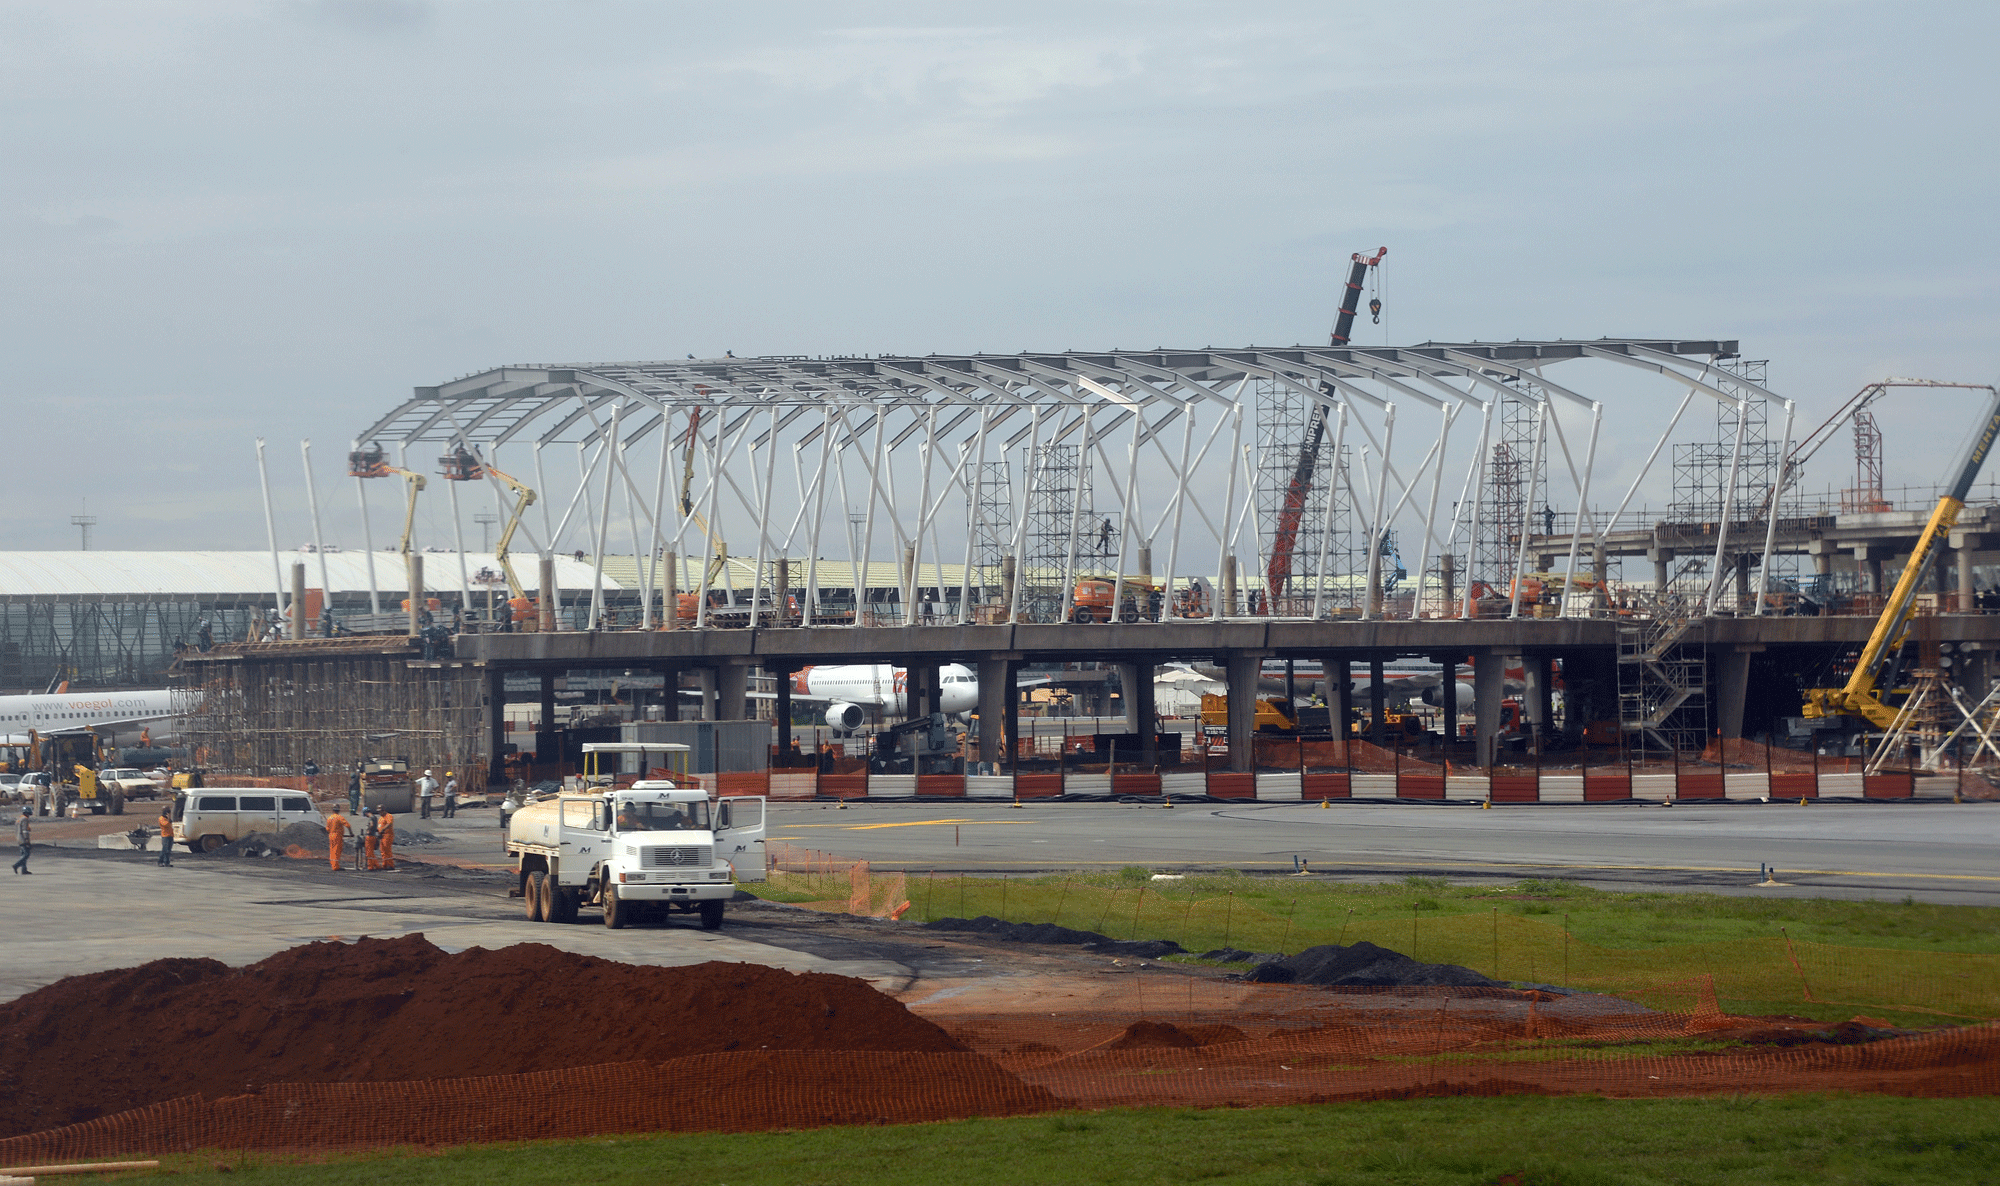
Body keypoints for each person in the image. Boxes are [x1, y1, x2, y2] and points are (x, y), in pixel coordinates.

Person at [325, 804, 353, 872]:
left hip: (331, 835)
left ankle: (333, 864)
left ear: (332, 810)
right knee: (336, 850)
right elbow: (348, 825)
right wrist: (351, 833)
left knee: (332, 850)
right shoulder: (339, 817)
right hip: (337, 836)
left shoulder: (329, 818)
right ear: (339, 810)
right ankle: (336, 866)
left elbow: (327, 829)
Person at [11, 810, 29, 874]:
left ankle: (24, 870)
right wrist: (26, 840)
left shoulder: (19, 819)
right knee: (26, 854)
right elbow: (25, 831)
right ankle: (16, 865)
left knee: (23, 854)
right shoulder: (25, 819)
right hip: (23, 839)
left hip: (18, 838)